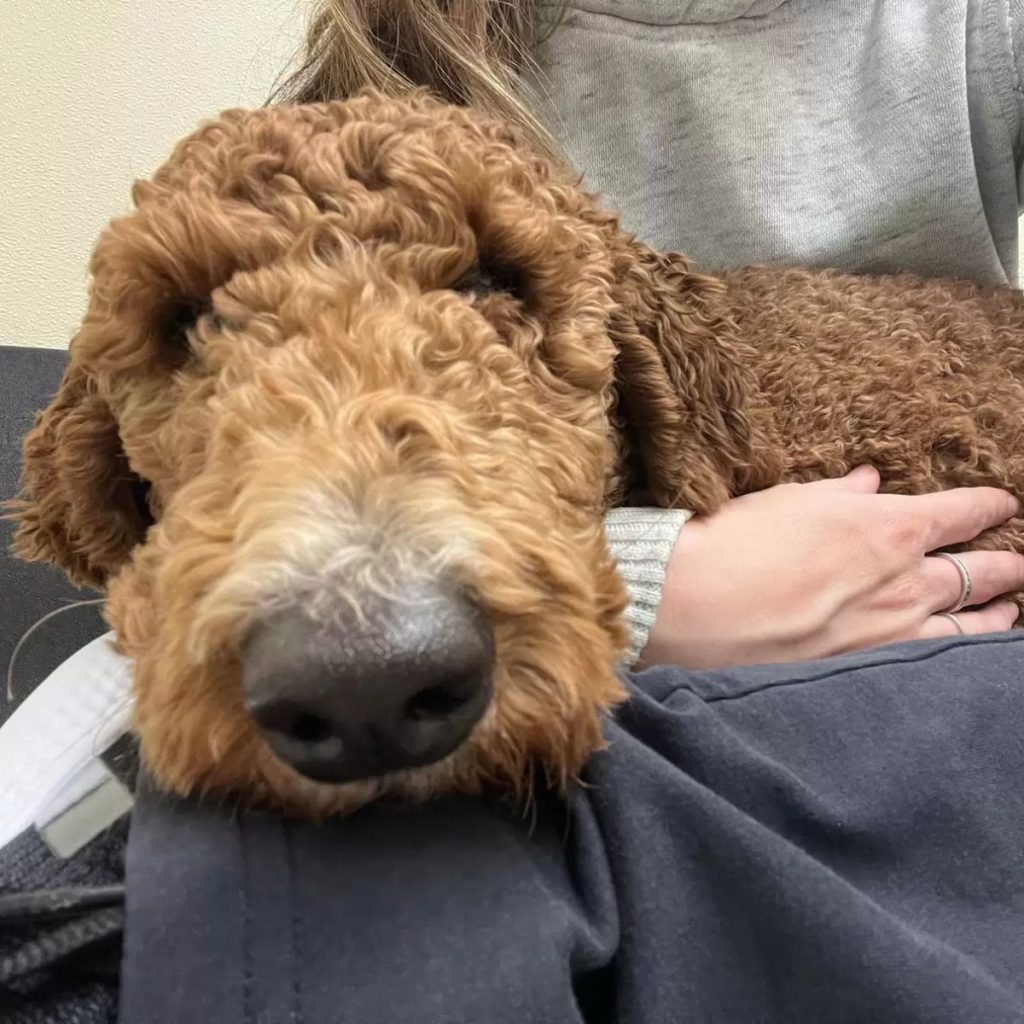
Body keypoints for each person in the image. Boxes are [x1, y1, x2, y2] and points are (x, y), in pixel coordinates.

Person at [7, 2, 1024, 1021]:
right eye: (191, 326)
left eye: (492, 285)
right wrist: (650, 590)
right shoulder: (390, 45)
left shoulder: (973, 27)